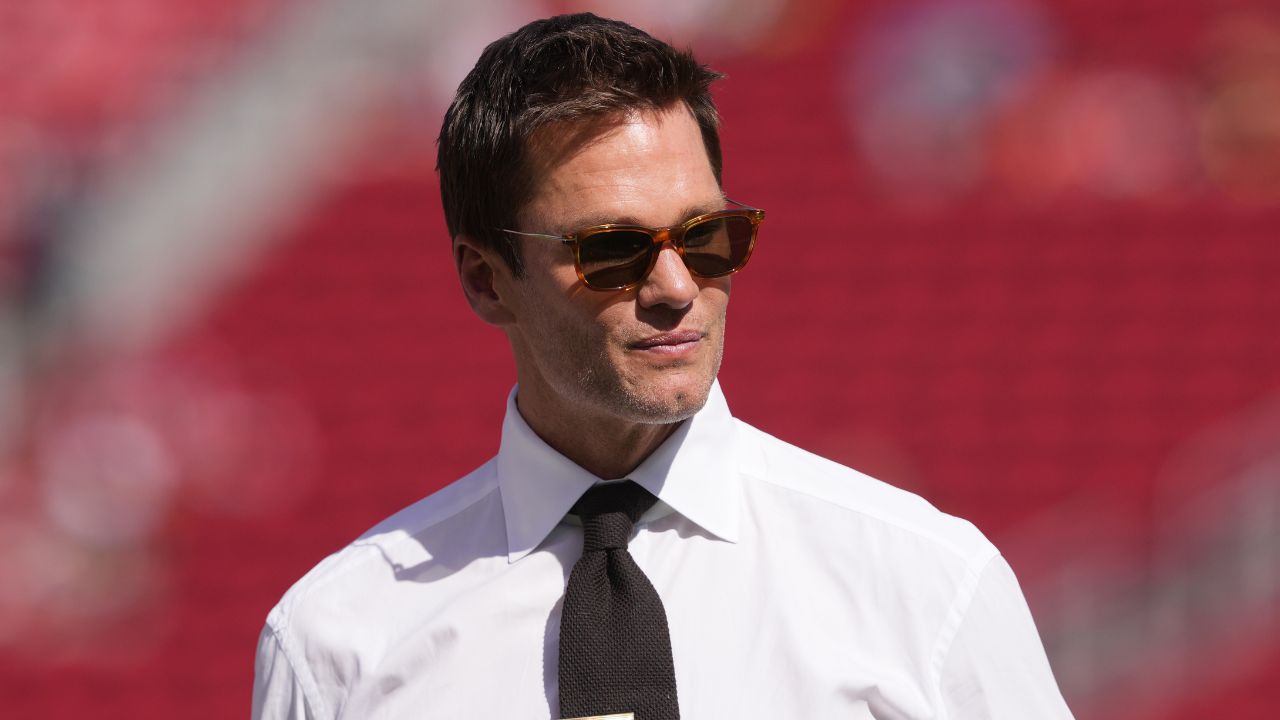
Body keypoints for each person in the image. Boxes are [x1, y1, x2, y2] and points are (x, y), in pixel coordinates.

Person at [252, 12, 1074, 720]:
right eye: (612, 250)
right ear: (484, 278)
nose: (678, 287)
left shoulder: (925, 585)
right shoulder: (338, 641)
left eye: (708, 236)